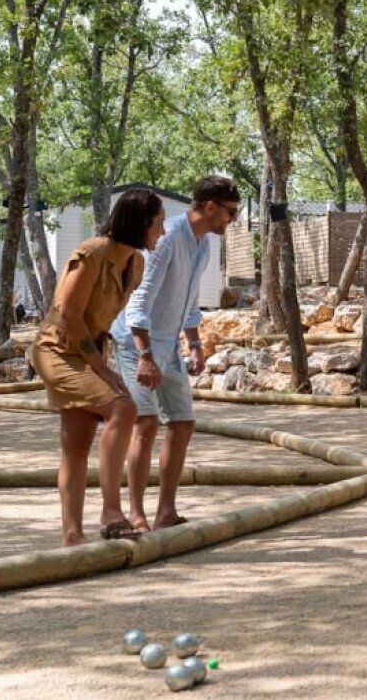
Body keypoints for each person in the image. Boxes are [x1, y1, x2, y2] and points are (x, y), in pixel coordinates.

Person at [29, 189, 165, 546]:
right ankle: (111, 512)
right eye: (158, 224)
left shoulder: (135, 264)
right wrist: (102, 369)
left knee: (77, 443)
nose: (162, 232)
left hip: (90, 351)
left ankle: (72, 535)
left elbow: (106, 321)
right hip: (58, 351)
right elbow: (70, 317)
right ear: (139, 223)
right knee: (123, 407)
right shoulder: (90, 254)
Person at [112, 177, 240, 532]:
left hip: (168, 345)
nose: (233, 220)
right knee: (146, 423)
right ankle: (136, 514)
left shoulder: (203, 247)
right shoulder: (165, 239)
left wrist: (194, 343)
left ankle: (165, 510)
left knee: (183, 423)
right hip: (136, 344)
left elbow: (188, 301)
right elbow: (139, 303)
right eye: (231, 212)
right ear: (210, 207)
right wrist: (145, 356)